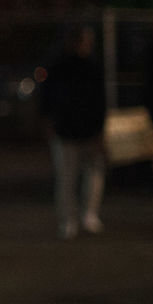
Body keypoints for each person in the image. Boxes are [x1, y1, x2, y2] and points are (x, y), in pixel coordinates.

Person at [40, 24, 107, 239]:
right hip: (67, 130)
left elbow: (100, 101)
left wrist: (100, 129)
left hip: (86, 129)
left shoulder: (92, 67)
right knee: (67, 178)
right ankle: (69, 221)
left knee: (90, 175)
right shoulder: (60, 66)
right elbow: (47, 98)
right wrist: (49, 122)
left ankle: (88, 216)